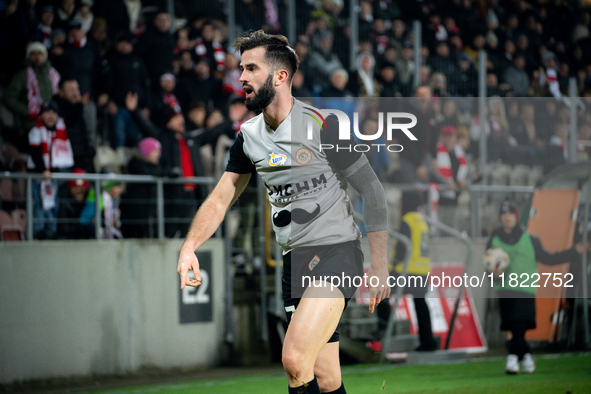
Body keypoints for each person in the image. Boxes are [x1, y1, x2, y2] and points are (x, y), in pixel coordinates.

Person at [176, 30, 389, 394]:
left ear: (280, 76)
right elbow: (221, 197)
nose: (240, 77)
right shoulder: (248, 136)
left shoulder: (324, 125)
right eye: (241, 69)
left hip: (338, 252)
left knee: (293, 360)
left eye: (251, 69)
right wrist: (189, 247)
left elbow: (372, 189)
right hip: (295, 262)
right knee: (325, 377)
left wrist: (380, 266)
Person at [487, 201, 589, 374]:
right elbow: (490, 266)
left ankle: (512, 358)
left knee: (518, 324)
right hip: (505, 289)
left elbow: (549, 258)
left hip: (525, 289)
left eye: (510, 213)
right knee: (514, 327)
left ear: (516, 216)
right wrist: (494, 274)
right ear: (500, 218)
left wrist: (573, 252)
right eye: (503, 214)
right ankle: (527, 357)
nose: (507, 217)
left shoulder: (531, 239)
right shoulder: (494, 239)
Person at [375, 191, 437, 352]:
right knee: (420, 305)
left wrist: (392, 267)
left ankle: (384, 328)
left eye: (401, 200)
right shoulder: (422, 221)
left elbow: (403, 246)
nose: (399, 203)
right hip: (422, 270)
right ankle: (428, 341)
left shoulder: (407, 220)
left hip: (406, 270)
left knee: (380, 291)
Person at [27, 100, 75, 239]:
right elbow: (35, 153)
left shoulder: (59, 131)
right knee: (39, 204)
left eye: (53, 112)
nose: (50, 115)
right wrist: (43, 170)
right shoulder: (35, 131)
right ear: (41, 114)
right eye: (47, 112)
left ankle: (51, 230)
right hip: (38, 176)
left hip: (51, 177)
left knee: (53, 202)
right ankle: (38, 231)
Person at [4, 42, 60, 150]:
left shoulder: (53, 74)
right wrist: (26, 111)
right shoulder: (22, 75)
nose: (37, 57)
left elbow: (59, 94)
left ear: (44, 55)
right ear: (28, 56)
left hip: (54, 122)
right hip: (32, 123)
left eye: (39, 53)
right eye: (33, 53)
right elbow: (9, 97)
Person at [57, 167, 90, 239]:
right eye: (75, 187)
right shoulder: (63, 200)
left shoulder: (89, 200)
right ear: (70, 188)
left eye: (82, 188)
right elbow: (63, 228)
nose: (78, 191)